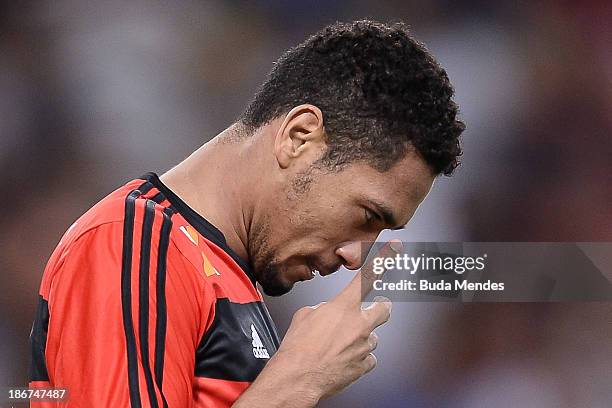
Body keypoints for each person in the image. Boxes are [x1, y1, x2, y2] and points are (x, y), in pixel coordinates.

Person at [29, 20, 464, 407]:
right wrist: (296, 384)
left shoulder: (230, 278)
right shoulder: (133, 244)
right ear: (299, 137)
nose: (355, 257)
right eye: (368, 215)